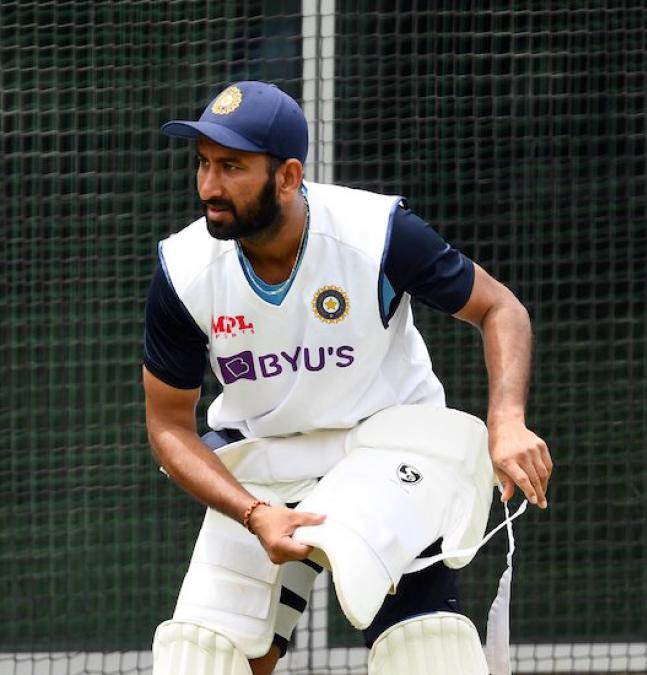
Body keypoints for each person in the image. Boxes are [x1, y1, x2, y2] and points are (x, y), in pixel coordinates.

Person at [143, 81, 551, 675]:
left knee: (427, 654)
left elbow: (500, 308)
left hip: (386, 447)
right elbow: (169, 428)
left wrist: (507, 420)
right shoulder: (183, 272)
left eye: (231, 166)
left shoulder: (376, 233)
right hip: (264, 460)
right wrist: (257, 515)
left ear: (287, 177)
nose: (209, 186)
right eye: (203, 164)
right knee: (202, 661)